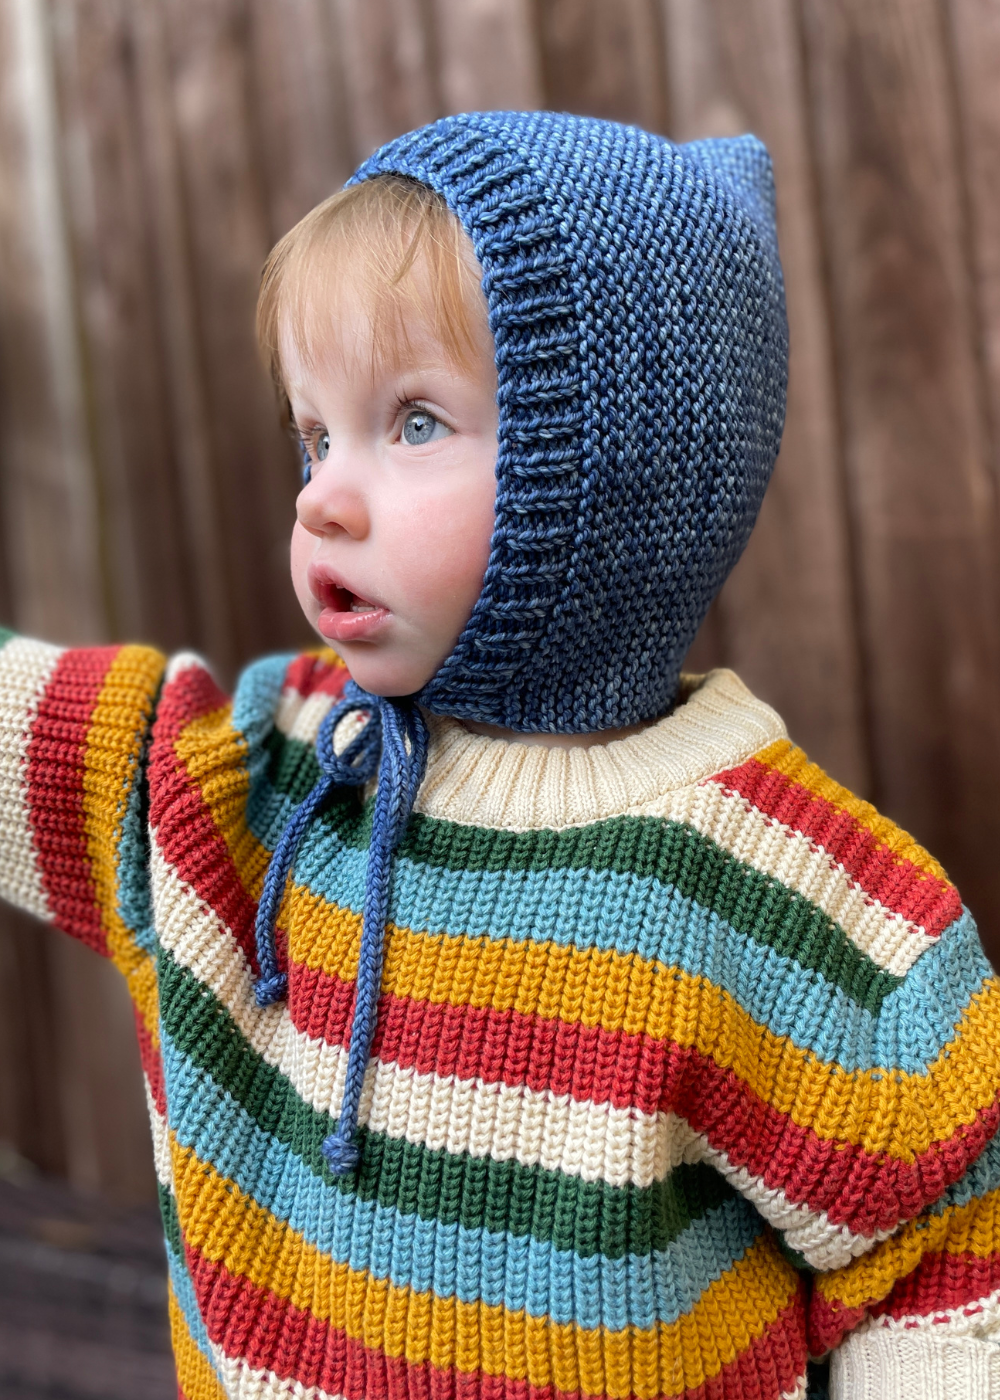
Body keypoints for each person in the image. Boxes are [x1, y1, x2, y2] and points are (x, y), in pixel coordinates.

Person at [0, 110, 998, 1400]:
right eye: (314, 434)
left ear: (614, 476)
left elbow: (943, 1261)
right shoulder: (270, 776)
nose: (320, 496)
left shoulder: (788, 899)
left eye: (412, 422)